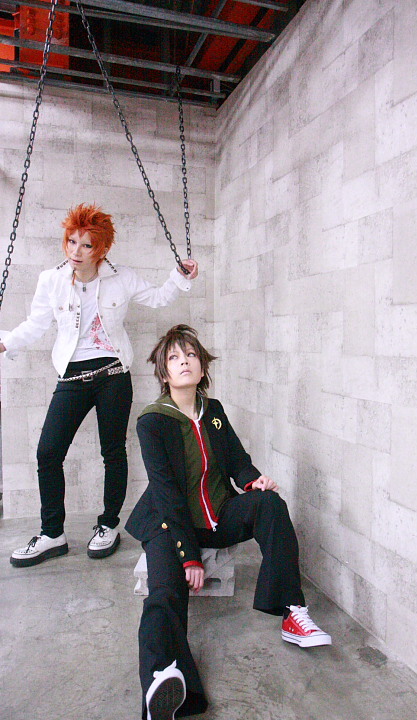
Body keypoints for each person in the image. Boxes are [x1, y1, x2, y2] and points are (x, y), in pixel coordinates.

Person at [125, 324, 331, 720]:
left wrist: (254, 481)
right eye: (174, 357)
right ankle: (161, 678)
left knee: (270, 504)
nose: (184, 361)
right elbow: (166, 494)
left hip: (217, 515)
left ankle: (291, 611)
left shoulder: (213, 411)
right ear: (164, 372)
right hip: (168, 523)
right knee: (164, 592)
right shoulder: (152, 421)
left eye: (191, 355)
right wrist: (189, 556)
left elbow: (236, 459)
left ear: (202, 367)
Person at [1, 203, 198, 568]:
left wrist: (179, 276)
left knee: (113, 451)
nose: (76, 251)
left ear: (102, 248)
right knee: (48, 453)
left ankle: (108, 525)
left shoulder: (121, 277)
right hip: (72, 376)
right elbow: (36, 324)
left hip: (113, 375)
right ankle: (52, 534)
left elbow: (157, 298)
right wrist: (5, 342)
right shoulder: (51, 280)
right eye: (71, 241)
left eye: (87, 245)